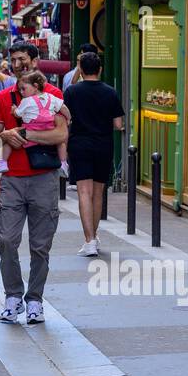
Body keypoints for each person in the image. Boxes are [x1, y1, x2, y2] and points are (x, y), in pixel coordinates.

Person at [0, 41, 69, 325]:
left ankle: (35, 299)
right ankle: (13, 296)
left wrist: (23, 133)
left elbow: (61, 135)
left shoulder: (52, 94)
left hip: (43, 178)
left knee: (40, 245)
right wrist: (0, 147)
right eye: (13, 60)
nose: (17, 64)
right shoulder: (3, 97)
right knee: (6, 240)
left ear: (35, 61)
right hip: (12, 179)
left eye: (22, 59)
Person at [62, 52, 124, 257]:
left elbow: (66, 120)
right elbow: (118, 124)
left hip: (79, 144)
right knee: (98, 193)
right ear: (100, 69)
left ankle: (89, 240)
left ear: (81, 70)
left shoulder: (72, 91)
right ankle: (94, 237)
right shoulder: (110, 92)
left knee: (84, 192)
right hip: (103, 145)